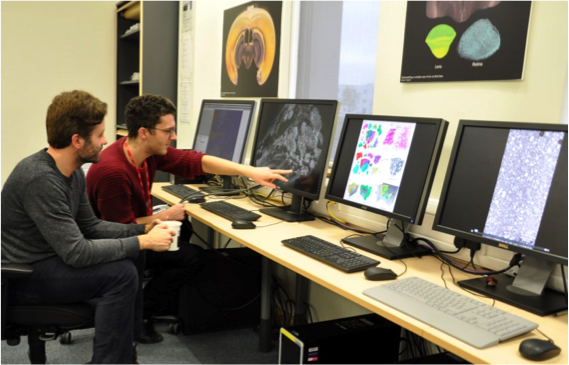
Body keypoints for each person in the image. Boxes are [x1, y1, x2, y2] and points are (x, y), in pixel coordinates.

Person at [86, 94, 291, 343]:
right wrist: (161, 216)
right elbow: (120, 230)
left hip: (127, 234)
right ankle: (139, 314)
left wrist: (247, 171)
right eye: (168, 131)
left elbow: (193, 161)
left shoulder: (143, 152)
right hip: (113, 247)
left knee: (185, 230)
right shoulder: (114, 171)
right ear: (144, 132)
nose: (173, 137)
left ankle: (150, 305)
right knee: (191, 258)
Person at [0, 90, 175, 365]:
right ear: (77, 140)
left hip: (48, 260)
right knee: (121, 273)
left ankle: (122, 357)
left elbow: (91, 226)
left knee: (133, 255)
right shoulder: (40, 179)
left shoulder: (71, 171)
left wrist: (143, 230)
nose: (107, 140)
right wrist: (143, 241)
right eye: (100, 134)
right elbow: (76, 252)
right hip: (22, 275)